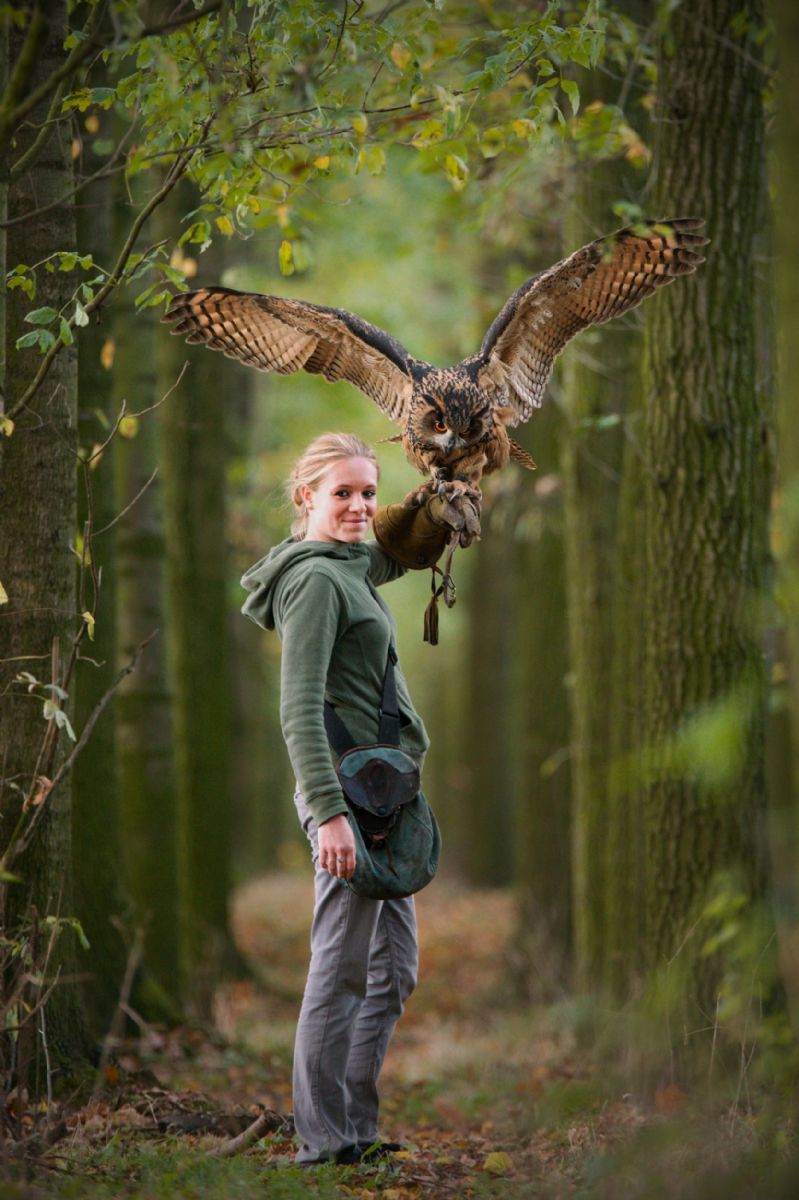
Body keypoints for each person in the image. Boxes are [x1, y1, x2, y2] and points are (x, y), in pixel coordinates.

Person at [240, 431, 477, 1166]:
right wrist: (330, 815)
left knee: (392, 970)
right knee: (339, 970)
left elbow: (392, 552)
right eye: (341, 492)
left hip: (384, 799)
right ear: (305, 496)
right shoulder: (314, 581)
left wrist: (436, 499)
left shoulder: (349, 565)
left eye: (367, 493)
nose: (358, 506)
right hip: (344, 800)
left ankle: (353, 1129)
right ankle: (322, 1141)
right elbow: (299, 708)